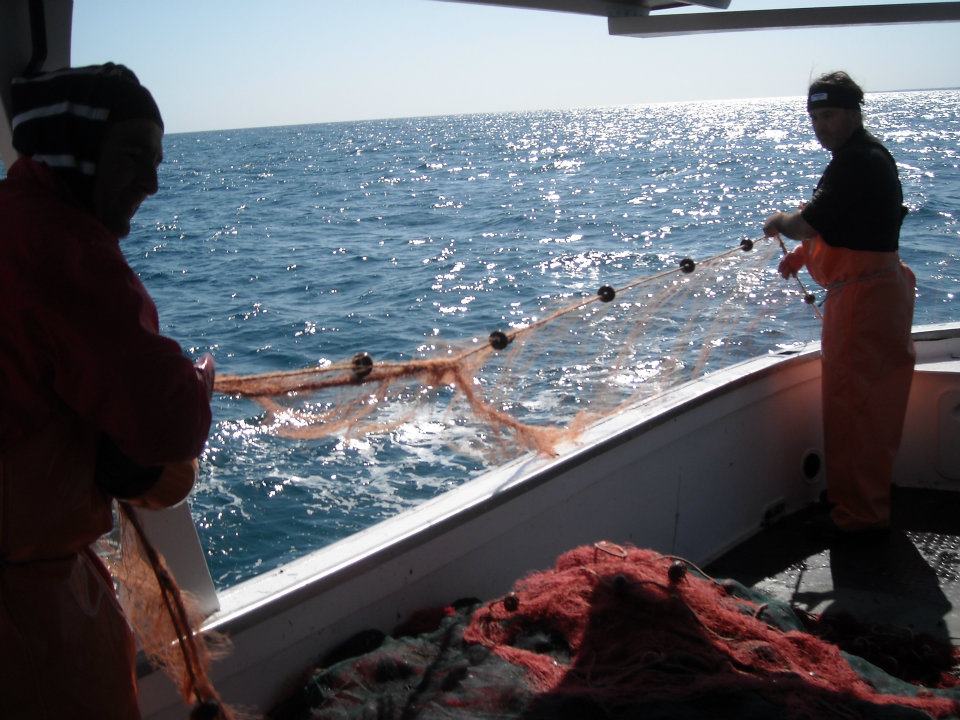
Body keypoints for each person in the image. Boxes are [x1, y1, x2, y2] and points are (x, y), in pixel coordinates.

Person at [0, 64, 214, 719]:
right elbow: (169, 422)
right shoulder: (64, 249)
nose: (151, 182)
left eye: (157, 162)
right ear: (77, 149)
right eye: (132, 157)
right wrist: (199, 387)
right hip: (28, 609)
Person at [763, 71, 915, 538]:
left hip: (864, 302)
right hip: (879, 292)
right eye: (814, 117)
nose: (820, 126)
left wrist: (780, 222)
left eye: (829, 115)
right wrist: (803, 257)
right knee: (870, 404)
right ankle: (861, 503)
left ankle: (861, 516)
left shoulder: (857, 162)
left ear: (853, 113)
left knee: (856, 409)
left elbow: (810, 222)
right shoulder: (865, 158)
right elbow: (852, 226)